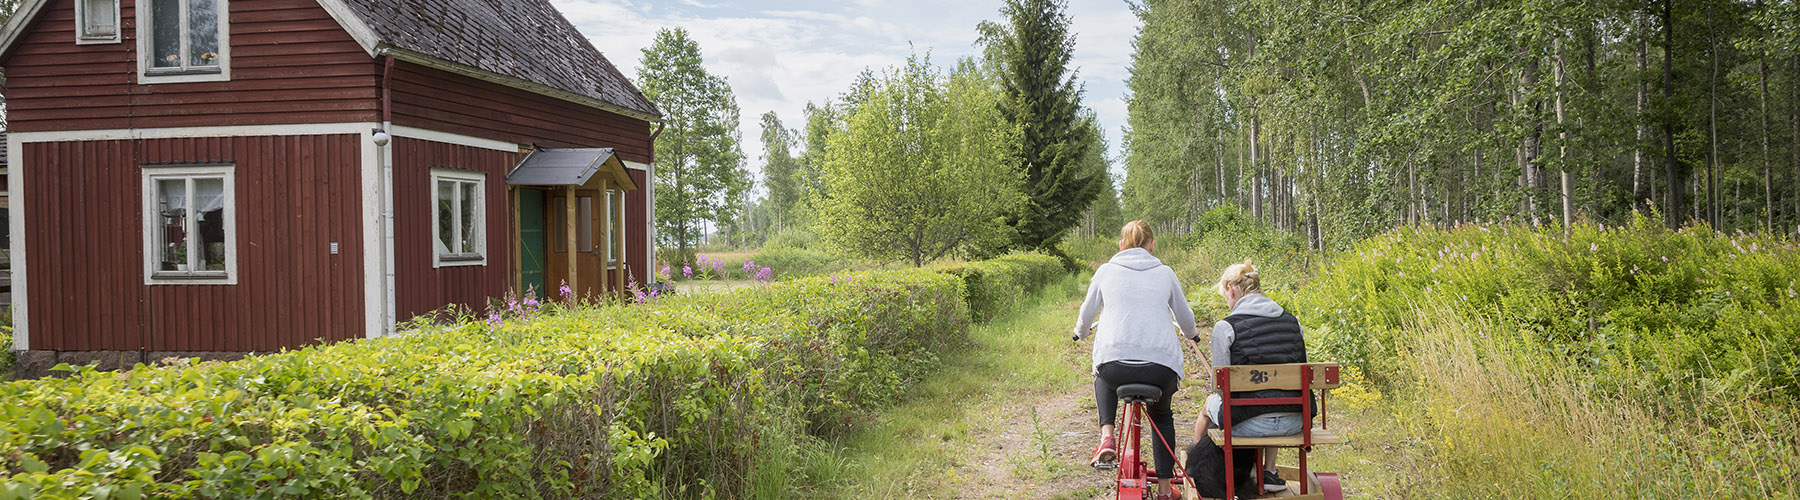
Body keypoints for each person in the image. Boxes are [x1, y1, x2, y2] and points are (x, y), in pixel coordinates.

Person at [1073, 220, 1200, 499]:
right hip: (1160, 369)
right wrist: (1192, 333)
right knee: (1162, 416)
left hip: (1115, 368)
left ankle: (1107, 435)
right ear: (1151, 245)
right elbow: (1185, 319)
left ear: (1121, 245)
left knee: (1101, 372)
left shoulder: (1105, 272)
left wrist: (1080, 333)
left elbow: (1086, 314)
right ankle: (1166, 490)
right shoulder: (1165, 273)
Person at [1191, 259, 1308, 494]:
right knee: (1274, 399)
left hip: (1249, 425)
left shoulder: (1226, 327)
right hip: (1295, 421)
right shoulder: (1292, 321)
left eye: (1225, 295)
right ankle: (1270, 471)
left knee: (1208, 406)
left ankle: (1192, 471)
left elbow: (1219, 387)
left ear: (1232, 290)